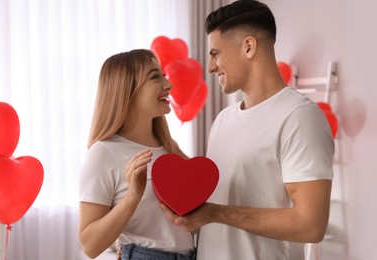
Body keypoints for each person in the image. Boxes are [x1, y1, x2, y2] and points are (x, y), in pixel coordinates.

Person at [160, 1, 334, 259]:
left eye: (215, 53)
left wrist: (216, 213)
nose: (210, 67)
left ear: (249, 47)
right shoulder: (222, 120)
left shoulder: (299, 117)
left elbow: (311, 224)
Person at [78, 49, 196, 260]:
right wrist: (133, 196)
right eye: (155, 77)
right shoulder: (103, 153)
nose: (168, 85)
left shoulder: (170, 148)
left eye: (164, 76)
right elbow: (90, 245)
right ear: (127, 90)